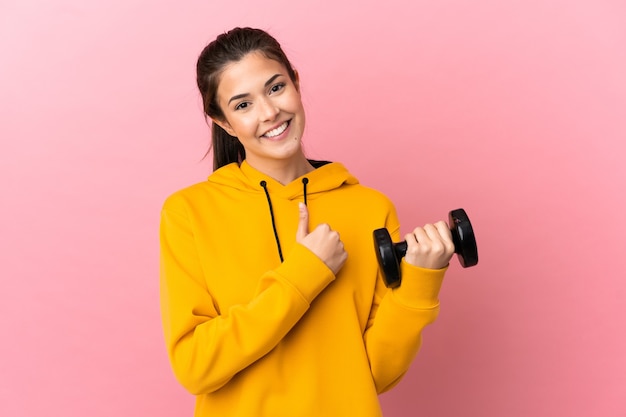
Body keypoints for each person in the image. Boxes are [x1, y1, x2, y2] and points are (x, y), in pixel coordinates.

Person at [159, 27, 455, 417]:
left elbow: (375, 374)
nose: (269, 112)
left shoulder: (370, 208)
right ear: (224, 122)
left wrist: (420, 283)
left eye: (276, 88)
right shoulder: (188, 212)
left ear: (295, 83)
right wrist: (303, 274)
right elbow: (195, 367)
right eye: (243, 105)